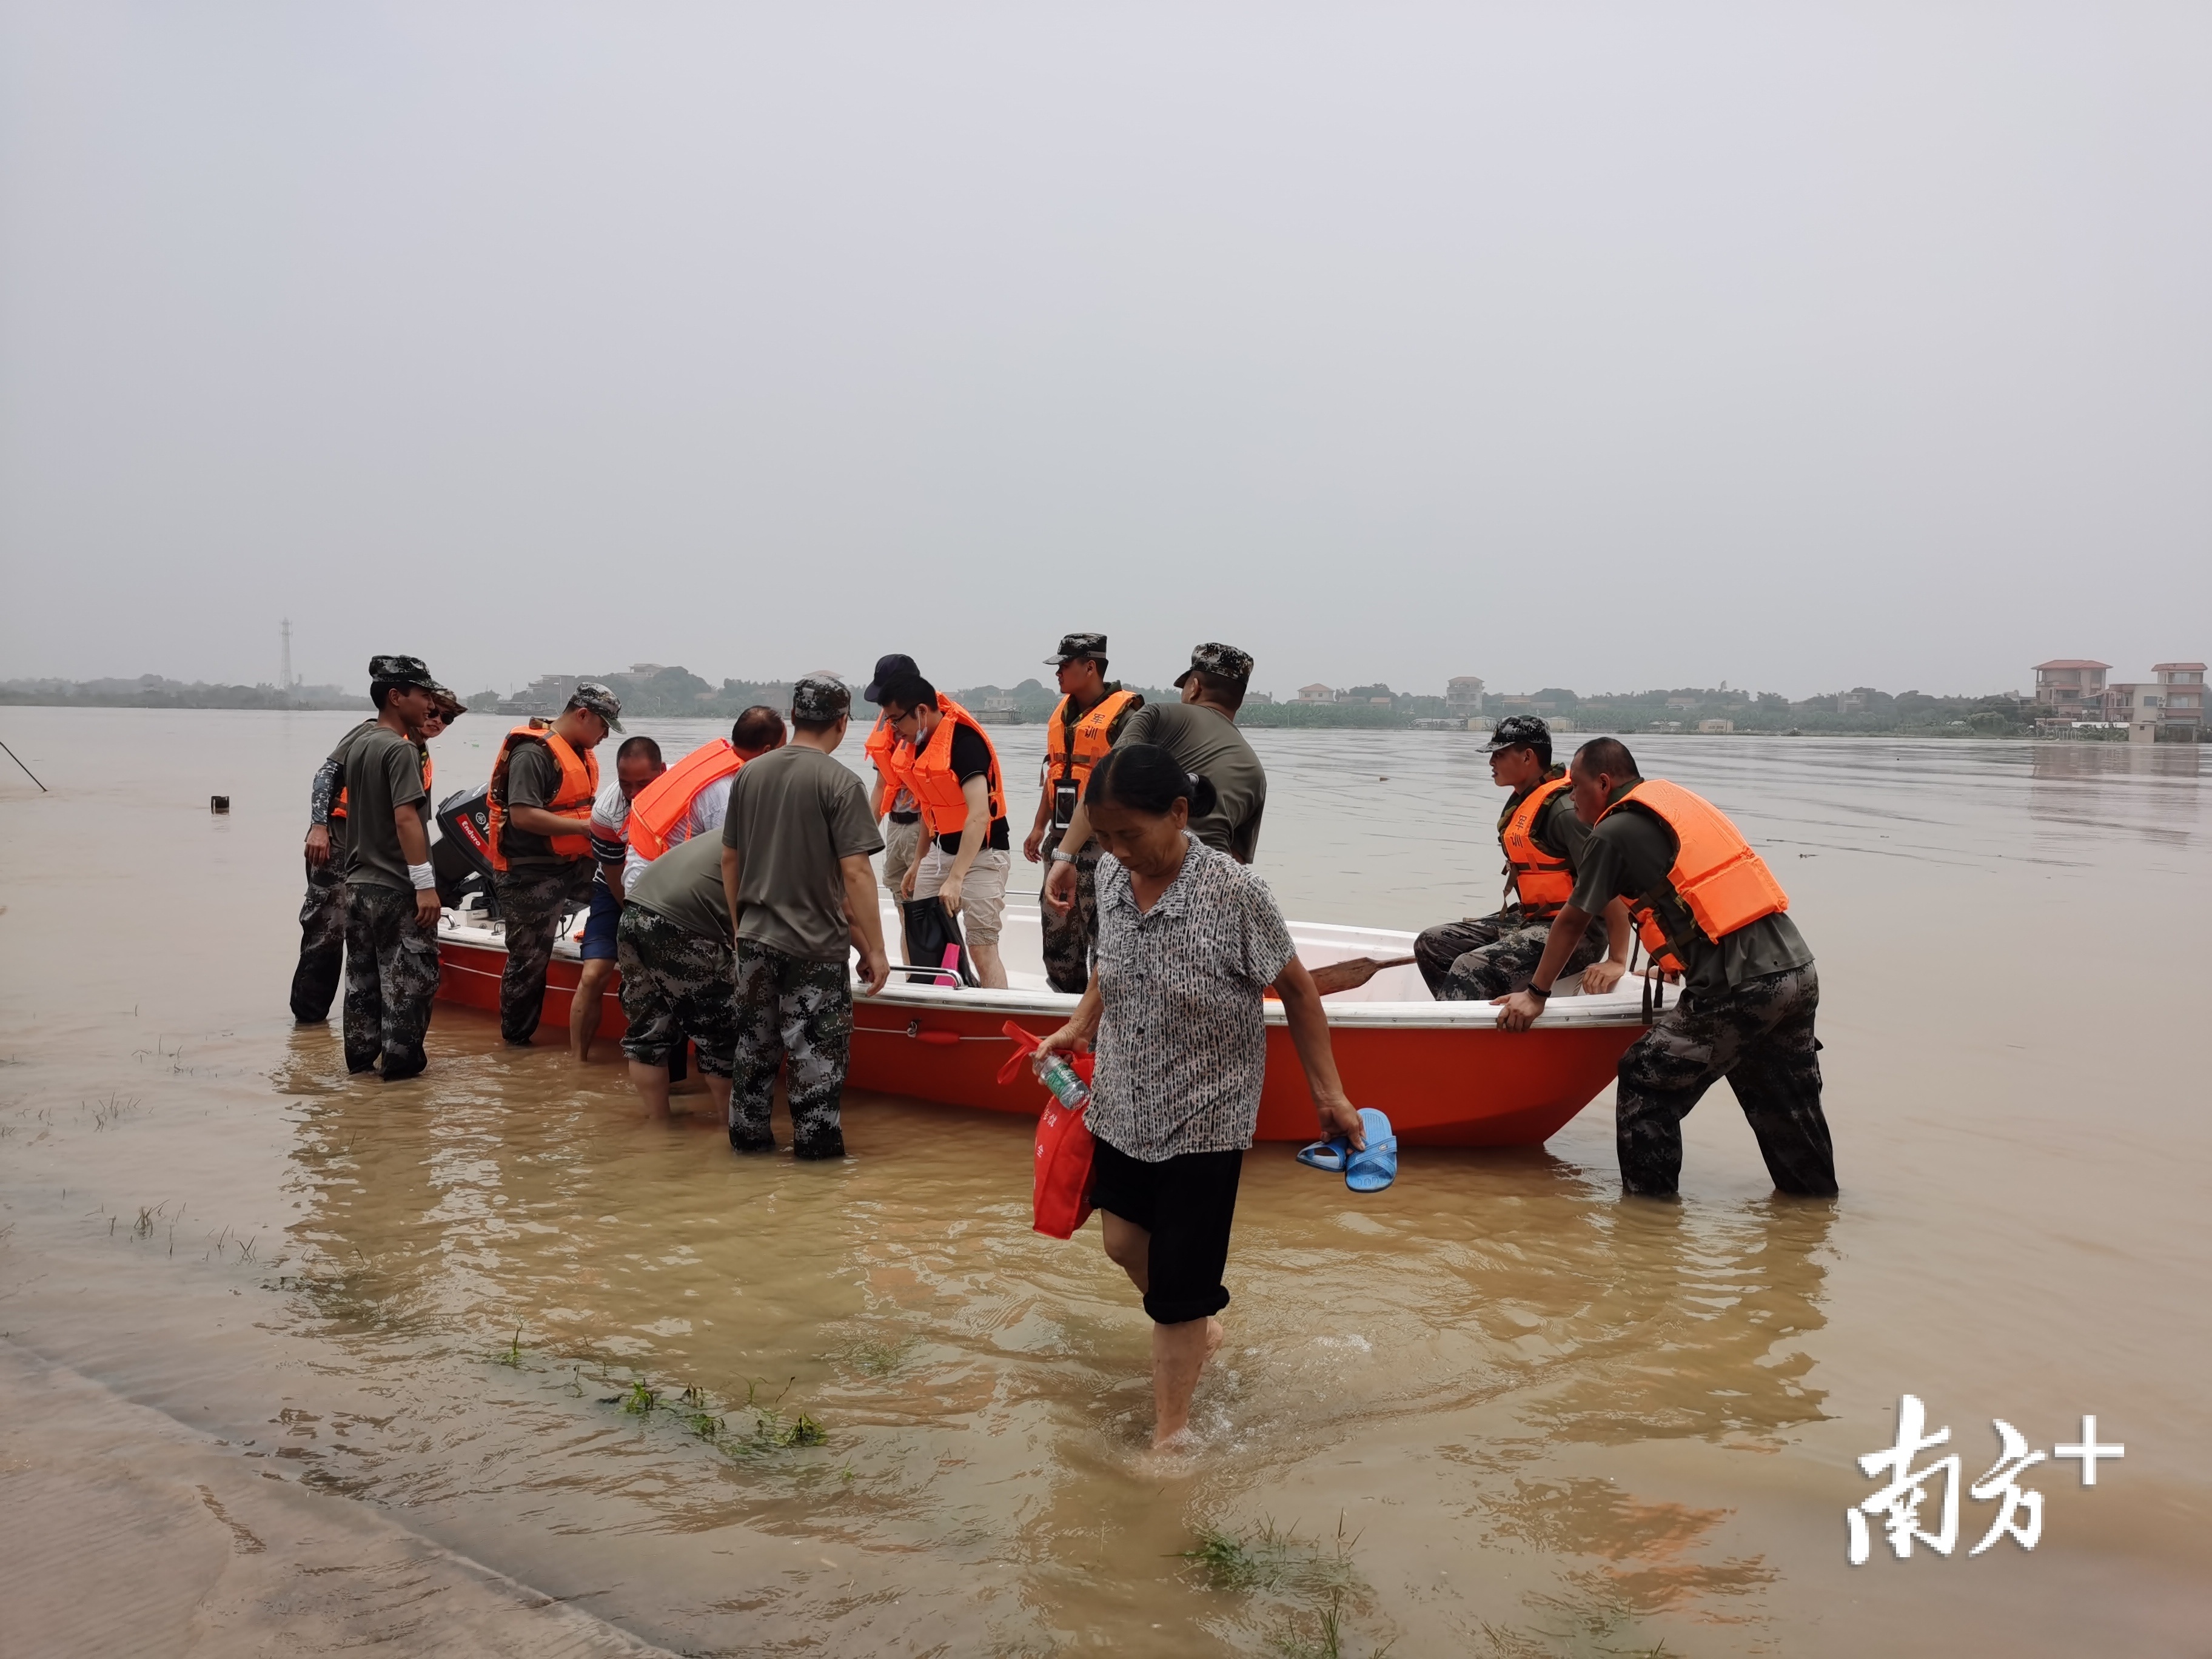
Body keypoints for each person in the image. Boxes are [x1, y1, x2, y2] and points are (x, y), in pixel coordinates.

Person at [1034, 745, 1366, 1450]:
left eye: (1132, 835)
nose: (1119, 852)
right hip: (1123, 1102)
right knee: (1122, 1243)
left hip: (1205, 1116)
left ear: (1179, 813)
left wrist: (1330, 1095)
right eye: (1106, 838)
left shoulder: (1234, 892)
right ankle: (1195, 1324)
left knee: (1178, 1293)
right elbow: (1109, 964)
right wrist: (1078, 1025)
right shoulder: (1117, 881)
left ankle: (1171, 1436)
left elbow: (1302, 995)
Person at [1495, 737, 1837, 1201]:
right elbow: (1694, 899)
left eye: (1575, 786)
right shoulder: (1672, 803)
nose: (1570, 795)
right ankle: (1813, 1215)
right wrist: (1674, 966)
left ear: (1603, 782)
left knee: (1645, 1077)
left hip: (1742, 986)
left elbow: (1574, 919)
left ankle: (1649, 1229)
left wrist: (1536, 993)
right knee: (1787, 1105)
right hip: (1796, 973)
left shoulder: (1612, 832)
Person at [719, 675, 891, 1159]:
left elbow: (729, 860)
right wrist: (875, 950)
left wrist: (740, 927)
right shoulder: (840, 782)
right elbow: (856, 872)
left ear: (793, 718)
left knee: (754, 1051)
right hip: (814, 947)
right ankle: (816, 1170)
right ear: (842, 723)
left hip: (755, 938)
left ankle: (747, 1156)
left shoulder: (750, 775)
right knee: (814, 1058)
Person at [1412, 715, 1632, 1001]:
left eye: (1499, 754)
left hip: (1578, 934)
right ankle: (1480, 1018)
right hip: (1533, 919)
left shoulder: (1565, 812)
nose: (1491, 762)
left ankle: (1456, 1036)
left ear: (1528, 756)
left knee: (1471, 967)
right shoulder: (1526, 799)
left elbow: (1609, 885)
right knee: (1432, 943)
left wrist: (1617, 959)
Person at [1045, 642, 1267, 920]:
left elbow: (1104, 788)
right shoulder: (1256, 771)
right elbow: (1236, 859)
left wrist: (1065, 857)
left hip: (1142, 885)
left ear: (1194, 687)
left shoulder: (1158, 716)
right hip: (1211, 900)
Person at [293, 686, 463, 1024]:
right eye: (434, 712)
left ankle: (368, 1027)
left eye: (448, 717)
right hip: (339, 843)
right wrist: (318, 826)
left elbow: (411, 819)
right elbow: (326, 775)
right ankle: (309, 1026)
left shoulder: (417, 752)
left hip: (379, 860)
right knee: (326, 933)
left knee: (367, 942)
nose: (438, 721)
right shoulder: (372, 735)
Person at [486, 682, 622, 1046]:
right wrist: (586, 827)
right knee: (529, 962)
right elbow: (523, 817)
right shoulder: (533, 753)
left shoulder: (578, 751)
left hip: (574, 864)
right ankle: (516, 1047)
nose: (606, 736)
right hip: (529, 874)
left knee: (627, 898)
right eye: (604, 726)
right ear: (583, 715)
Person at [340, 655, 447, 1081]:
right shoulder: (401, 749)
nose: (430, 704)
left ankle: (360, 1075)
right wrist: (425, 885)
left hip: (357, 886)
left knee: (362, 987)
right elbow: (407, 819)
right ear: (396, 697)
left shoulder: (360, 743)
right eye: (423, 695)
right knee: (408, 986)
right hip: (395, 890)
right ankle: (401, 1087)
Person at [874, 672, 1014, 988]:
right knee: (921, 936)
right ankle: (926, 1007)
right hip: (940, 853)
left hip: (983, 855)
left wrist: (956, 878)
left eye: (897, 721)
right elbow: (930, 808)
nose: (894, 730)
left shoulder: (965, 744)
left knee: (981, 947)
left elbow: (978, 816)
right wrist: (919, 860)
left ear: (921, 711)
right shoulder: (919, 746)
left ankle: (995, 1022)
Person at [1023, 632, 1143, 993]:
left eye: (1064, 665)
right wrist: (1037, 826)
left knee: (1105, 941)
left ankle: (1099, 1024)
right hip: (1060, 843)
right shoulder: (1062, 713)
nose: (1057, 673)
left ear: (1090, 667)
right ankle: (1064, 1014)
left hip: (1105, 847)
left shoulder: (1127, 714)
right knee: (1058, 937)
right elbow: (1057, 773)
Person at [617, 832, 742, 1122]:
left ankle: (658, 1130)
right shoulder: (776, 840)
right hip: (681, 925)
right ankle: (731, 1132)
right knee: (724, 1037)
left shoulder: (734, 828)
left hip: (634, 914)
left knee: (647, 1034)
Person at [570, 735, 666, 1062]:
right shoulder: (607, 812)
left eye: (644, 783)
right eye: (626, 783)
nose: (634, 793)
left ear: (663, 772)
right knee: (594, 974)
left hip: (669, 892)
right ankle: (578, 1065)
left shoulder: (683, 798)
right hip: (617, 892)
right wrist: (635, 932)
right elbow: (614, 879)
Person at [621, 706, 787, 891]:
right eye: (783, 751)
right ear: (766, 752)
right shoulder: (725, 792)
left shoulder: (713, 758)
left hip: (640, 872)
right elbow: (729, 862)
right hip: (653, 890)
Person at [860, 654, 926, 943]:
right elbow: (881, 785)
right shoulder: (886, 725)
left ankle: (935, 980)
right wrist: (860, 841)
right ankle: (913, 980)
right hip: (896, 828)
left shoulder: (932, 722)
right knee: (903, 912)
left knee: (925, 913)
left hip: (924, 830)